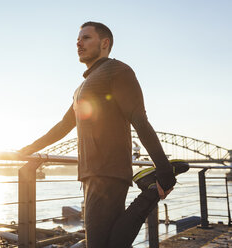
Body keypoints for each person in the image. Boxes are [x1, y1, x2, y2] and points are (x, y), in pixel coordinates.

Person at [19, 21, 188, 248]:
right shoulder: (82, 87)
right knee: (111, 243)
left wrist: (164, 168)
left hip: (107, 170)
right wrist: (28, 149)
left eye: (86, 38)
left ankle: (150, 191)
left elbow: (139, 118)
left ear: (105, 43)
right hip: (91, 173)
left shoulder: (118, 70)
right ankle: (149, 190)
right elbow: (63, 126)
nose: (79, 43)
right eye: (77, 39)